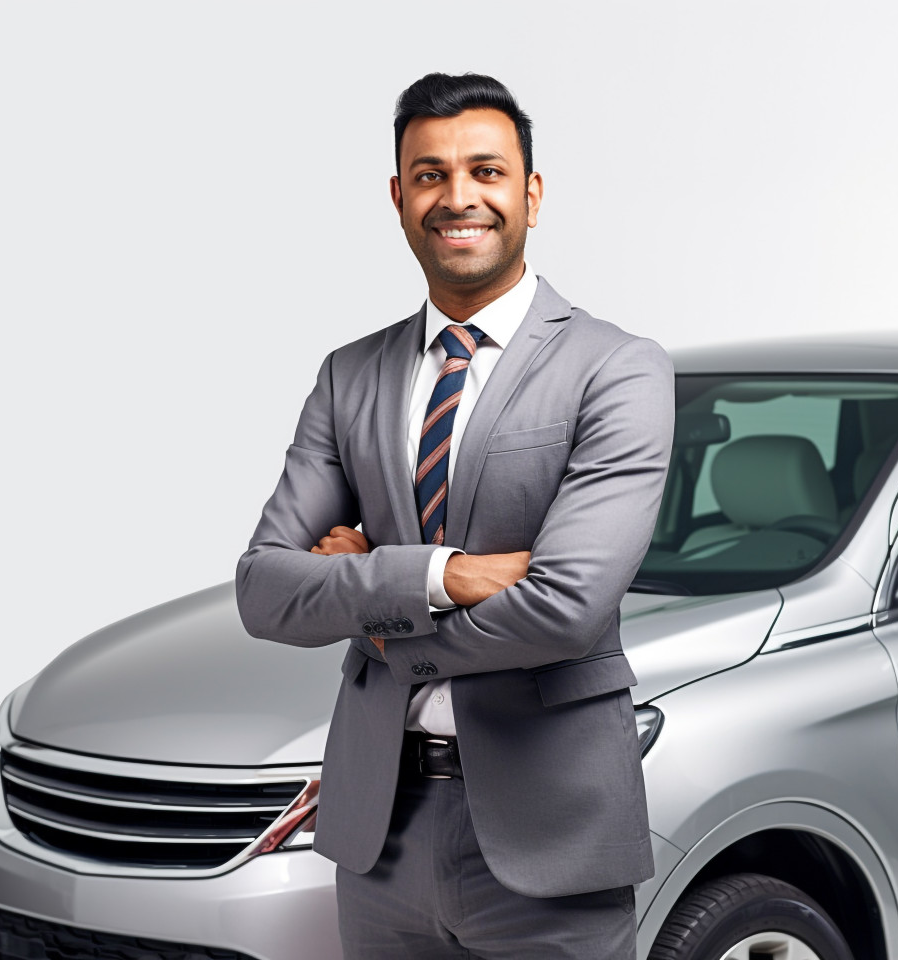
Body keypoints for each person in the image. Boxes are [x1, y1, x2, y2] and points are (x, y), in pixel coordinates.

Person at [236, 72, 674, 960]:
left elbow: (567, 606)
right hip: (380, 829)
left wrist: (372, 611)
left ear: (531, 194)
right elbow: (263, 589)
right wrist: (443, 576)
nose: (458, 197)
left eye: (486, 171)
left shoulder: (615, 368)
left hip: (552, 836)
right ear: (399, 198)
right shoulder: (347, 375)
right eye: (430, 175)